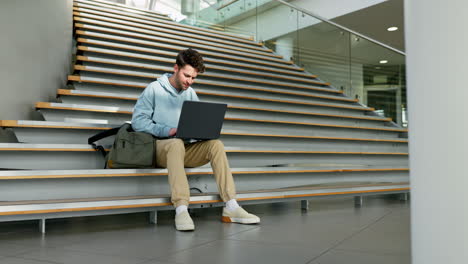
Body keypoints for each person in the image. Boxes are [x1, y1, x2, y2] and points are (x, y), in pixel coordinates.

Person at [131, 48, 260, 231]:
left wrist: (202, 131)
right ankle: (181, 209)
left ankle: (231, 206)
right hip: (159, 148)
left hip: (183, 148)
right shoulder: (154, 89)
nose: (189, 82)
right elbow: (138, 122)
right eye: (186, 76)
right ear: (176, 68)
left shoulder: (190, 93)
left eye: (193, 78)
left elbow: (196, 121)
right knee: (175, 143)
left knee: (215, 145)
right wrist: (168, 130)